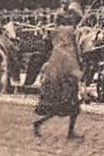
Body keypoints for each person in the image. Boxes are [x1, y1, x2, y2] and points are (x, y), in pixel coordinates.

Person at [33, 7, 84, 139]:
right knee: (72, 105)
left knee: (58, 106)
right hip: (68, 71)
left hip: (56, 70)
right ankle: (69, 132)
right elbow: (77, 50)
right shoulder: (71, 31)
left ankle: (40, 123)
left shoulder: (55, 32)